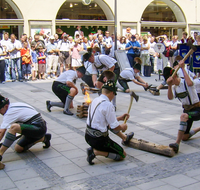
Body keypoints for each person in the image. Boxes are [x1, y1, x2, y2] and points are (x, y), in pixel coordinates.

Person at [85, 80, 134, 165]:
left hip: (88, 136)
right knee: (122, 155)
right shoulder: (108, 104)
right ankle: (95, 152)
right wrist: (123, 127)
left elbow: (105, 120)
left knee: (110, 125)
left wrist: (120, 118)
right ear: (111, 92)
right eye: (114, 94)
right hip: (99, 140)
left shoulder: (95, 100)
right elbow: (115, 127)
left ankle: (124, 138)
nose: (114, 97)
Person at [0, 94, 51, 167]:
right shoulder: (15, 105)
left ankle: (0, 154)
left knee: (13, 127)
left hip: (38, 127)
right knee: (18, 148)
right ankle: (44, 138)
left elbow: (1, 132)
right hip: (32, 127)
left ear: (6, 106)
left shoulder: (10, 113)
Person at [163, 60, 200, 153]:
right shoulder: (174, 88)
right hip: (188, 111)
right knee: (185, 137)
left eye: (172, 80)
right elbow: (170, 98)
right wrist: (169, 86)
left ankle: (177, 144)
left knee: (184, 116)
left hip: (197, 109)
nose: (172, 83)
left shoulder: (185, 82)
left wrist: (183, 68)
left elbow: (190, 83)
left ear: (175, 76)